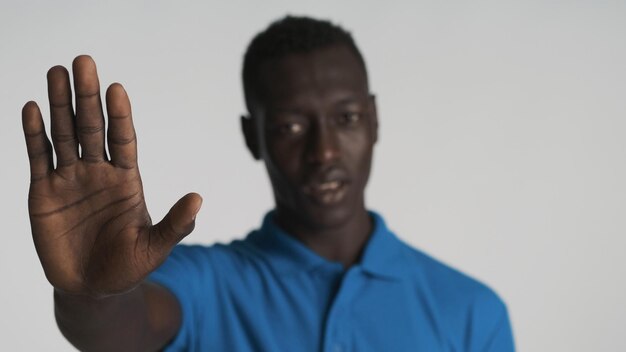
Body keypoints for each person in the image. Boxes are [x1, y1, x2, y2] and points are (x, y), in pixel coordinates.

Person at [22, 16, 515, 351]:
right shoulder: (206, 282)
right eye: (289, 127)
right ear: (251, 136)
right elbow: (124, 329)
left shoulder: (470, 311)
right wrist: (93, 293)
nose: (323, 151)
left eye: (346, 117)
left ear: (374, 120)